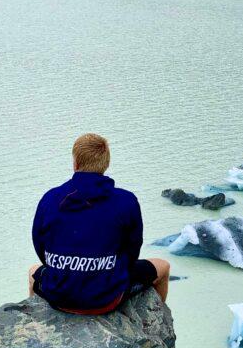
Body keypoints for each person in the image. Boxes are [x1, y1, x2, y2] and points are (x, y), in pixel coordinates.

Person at [28, 133, 170, 314]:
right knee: (163, 267)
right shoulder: (126, 201)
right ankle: (154, 325)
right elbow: (133, 248)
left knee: (33, 271)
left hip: (58, 297)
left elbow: (39, 245)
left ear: (75, 163)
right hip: (106, 299)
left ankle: (36, 322)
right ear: (106, 164)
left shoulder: (49, 199)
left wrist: (67, 266)